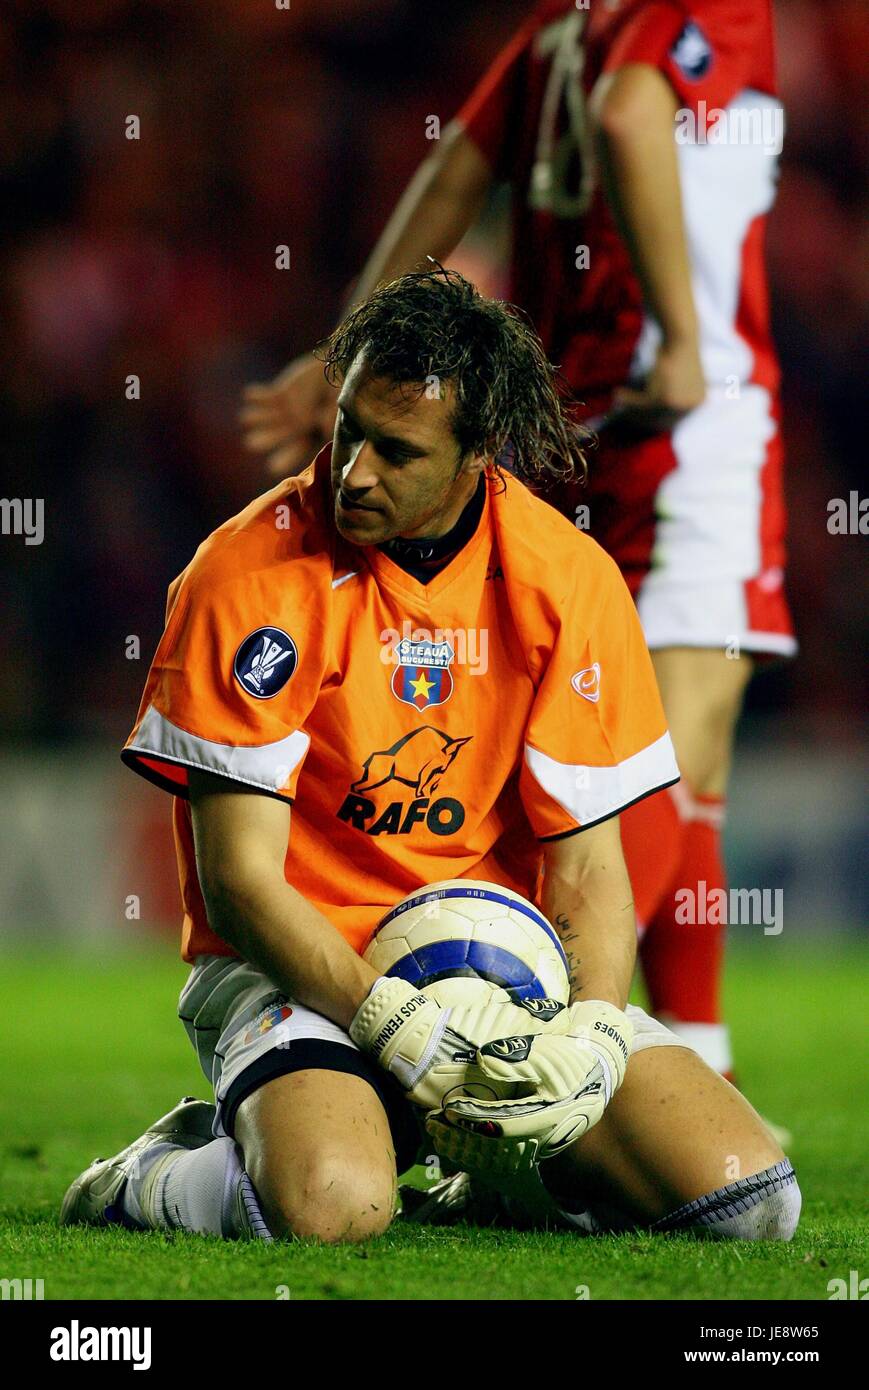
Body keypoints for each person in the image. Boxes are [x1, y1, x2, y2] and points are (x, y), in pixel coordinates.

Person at [62, 271, 798, 1242]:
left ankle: (482, 1176)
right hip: (292, 971)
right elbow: (239, 881)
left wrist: (588, 1028)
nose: (354, 471)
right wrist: (384, 1017)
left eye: (396, 450)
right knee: (338, 1208)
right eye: (346, 431)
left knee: (747, 1201)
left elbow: (585, 868)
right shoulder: (246, 575)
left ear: (476, 459)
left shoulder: (564, 578)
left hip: (502, 980)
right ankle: (147, 1177)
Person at [240, 0, 795, 1097]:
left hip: (564, 423)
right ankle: (522, 1065)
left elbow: (457, 165)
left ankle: (701, 1063)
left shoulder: (563, 26)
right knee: (662, 767)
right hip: (684, 425)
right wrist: (683, 344)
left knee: (687, 773)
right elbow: (636, 116)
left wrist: (352, 341)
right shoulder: (706, 8)